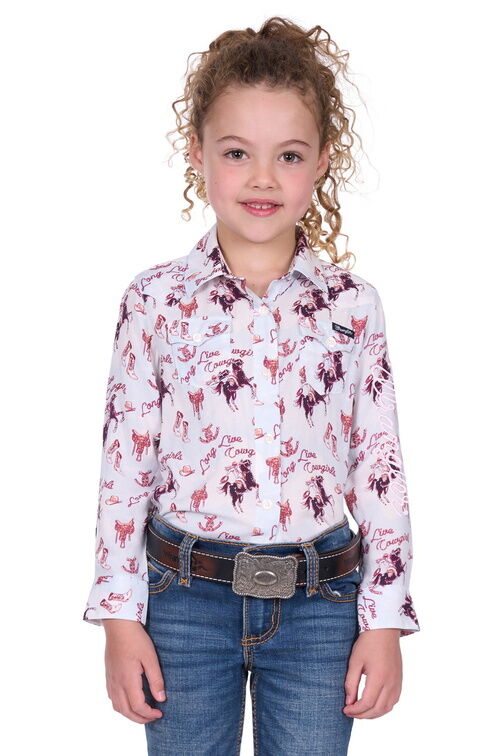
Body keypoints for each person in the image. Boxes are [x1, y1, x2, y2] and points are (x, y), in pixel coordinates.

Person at [83, 16, 420, 755]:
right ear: (197, 152)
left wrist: (384, 619)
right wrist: (119, 618)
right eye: (237, 152)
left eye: (288, 155)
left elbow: (378, 464)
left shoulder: (351, 306)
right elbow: (124, 464)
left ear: (322, 161)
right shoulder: (155, 301)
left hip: (320, 608)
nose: (262, 178)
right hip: (181, 605)